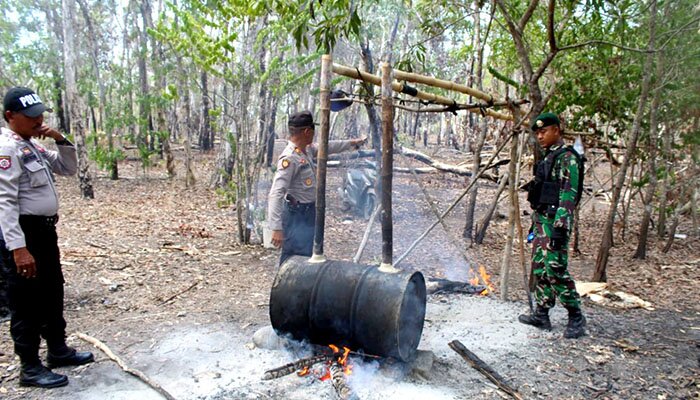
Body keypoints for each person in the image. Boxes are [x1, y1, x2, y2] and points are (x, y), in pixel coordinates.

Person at [0, 87, 94, 388]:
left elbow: (68, 167)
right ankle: (30, 367)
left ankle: (58, 350)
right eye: (30, 116)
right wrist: (18, 248)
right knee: (25, 302)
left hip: (44, 233)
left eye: (39, 114)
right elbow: (5, 203)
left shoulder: (32, 146)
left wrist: (57, 137)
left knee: (52, 292)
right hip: (23, 235)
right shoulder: (7, 149)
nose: (37, 119)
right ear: (10, 116)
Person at [519, 112, 586, 339]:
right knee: (540, 268)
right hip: (542, 221)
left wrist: (559, 226)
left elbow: (569, 195)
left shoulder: (568, 158)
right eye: (537, 132)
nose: (540, 136)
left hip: (555, 222)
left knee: (555, 269)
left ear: (557, 130)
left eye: (544, 131)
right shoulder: (549, 157)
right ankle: (542, 313)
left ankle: (576, 316)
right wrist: (535, 226)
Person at [268, 111, 365, 265]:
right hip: (297, 215)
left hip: (309, 213)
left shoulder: (307, 150)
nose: (314, 134)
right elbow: (276, 192)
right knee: (291, 260)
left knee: (307, 257)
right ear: (307, 131)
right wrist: (276, 227)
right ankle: (285, 289)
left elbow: (328, 146)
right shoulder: (289, 158)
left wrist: (353, 143)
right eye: (313, 131)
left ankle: (303, 288)